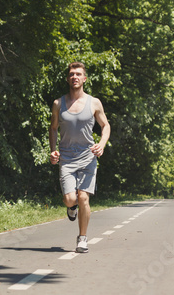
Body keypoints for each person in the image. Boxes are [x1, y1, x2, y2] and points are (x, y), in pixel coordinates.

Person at [49, 62, 110, 253]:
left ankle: (82, 238)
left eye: (78, 74)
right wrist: (53, 150)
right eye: (71, 74)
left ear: (84, 78)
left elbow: (105, 126)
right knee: (70, 199)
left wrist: (101, 144)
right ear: (68, 79)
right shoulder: (59, 104)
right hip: (66, 158)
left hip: (87, 156)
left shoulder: (94, 103)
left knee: (83, 197)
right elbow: (53, 128)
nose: (75, 77)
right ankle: (71, 208)